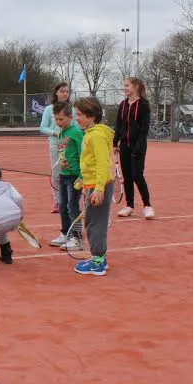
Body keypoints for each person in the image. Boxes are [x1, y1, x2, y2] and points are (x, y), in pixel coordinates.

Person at [72, 96, 115, 276]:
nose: (77, 118)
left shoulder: (96, 135)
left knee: (95, 224)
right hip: (94, 184)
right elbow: (90, 163)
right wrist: (84, 180)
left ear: (91, 116)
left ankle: (98, 261)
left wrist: (98, 188)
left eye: (79, 115)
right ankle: (98, 257)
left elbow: (103, 163)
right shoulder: (90, 134)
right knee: (91, 222)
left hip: (100, 186)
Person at [113, 77, 154, 219]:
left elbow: (144, 128)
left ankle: (147, 206)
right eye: (124, 86)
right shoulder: (123, 105)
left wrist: (138, 147)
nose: (125, 88)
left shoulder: (144, 105)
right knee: (127, 177)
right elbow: (118, 125)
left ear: (136, 86)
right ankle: (129, 206)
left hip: (138, 146)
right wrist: (115, 143)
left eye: (127, 86)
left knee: (137, 175)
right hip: (124, 145)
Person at [49, 101, 85, 250]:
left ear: (70, 117)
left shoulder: (76, 132)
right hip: (64, 175)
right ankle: (66, 233)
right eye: (56, 119)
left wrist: (81, 176)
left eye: (61, 119)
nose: (58, 122)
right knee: (63, 206)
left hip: (74, 176)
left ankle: (77, 238)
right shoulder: (61, 133)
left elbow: (83, 154)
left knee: (72, 206)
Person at [39, 83, 77, 214]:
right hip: (55, 145)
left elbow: (76, 126)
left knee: (71, 173)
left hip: (70, 146)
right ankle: (58, 201)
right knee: (56, 174)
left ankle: (71, 201)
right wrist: (55, 133)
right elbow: (43, 127)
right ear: (56, 92)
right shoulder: (49, 109)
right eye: (62, 91)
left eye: (67, 91)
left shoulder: (72, 109)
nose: (65, 94)